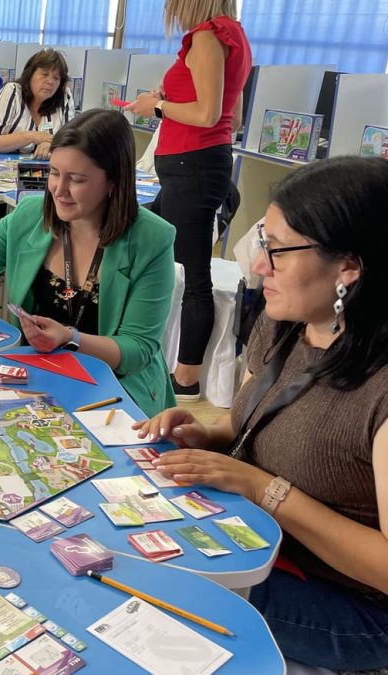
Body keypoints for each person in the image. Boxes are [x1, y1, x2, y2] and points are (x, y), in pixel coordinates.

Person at [137, 157, 388, 671]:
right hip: (258, 542)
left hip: (352, 605)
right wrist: (204, 436)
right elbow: (247, 422)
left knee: (158, 594)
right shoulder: (288, 322)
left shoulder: (380, 386)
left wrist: (261, 489)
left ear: (348, 266)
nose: (258, 265)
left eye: (278, 251)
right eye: (262, 243)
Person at [0, 110, 177, 416]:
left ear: (113, 182)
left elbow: (137, 349)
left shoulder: (152, 239)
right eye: (54, 172)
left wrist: (71, 337)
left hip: (115, 392)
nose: (58, 189)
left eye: (77, 180)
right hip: (39, 381)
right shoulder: (30, 216)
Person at [126, 0, 251, 402]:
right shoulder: (231, 34)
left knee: (195, 273)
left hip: (192, 164)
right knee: (138, 232)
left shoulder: (207, 37)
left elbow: (208, 113)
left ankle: (186, 378)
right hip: (194, 163)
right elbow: (230, 109)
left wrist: (157, 106)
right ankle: (141, 340)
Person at [0, 48, 73, 157]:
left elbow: (72, 142)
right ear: (30, 75)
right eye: (44, 74)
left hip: (47, 169)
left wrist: (52, 145)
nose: (50, 81)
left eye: (56, 78)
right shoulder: (13, 92)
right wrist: (32, 136)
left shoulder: (64, 97)